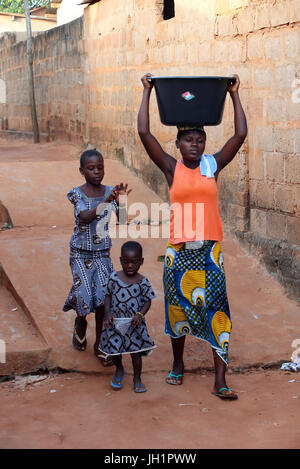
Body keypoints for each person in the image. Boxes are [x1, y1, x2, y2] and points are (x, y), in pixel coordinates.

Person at [138, 73, 247, 399]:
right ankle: (177, 364)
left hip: (210, 251)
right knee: (177, 310)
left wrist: (234, 95)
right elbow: (144, 132)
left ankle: (220, 379)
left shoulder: (212, 165)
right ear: (178, 144)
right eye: (188, 140)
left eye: (199, 140)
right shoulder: (172, 168)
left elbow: (240, 134)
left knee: (218, 311)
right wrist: (147, 92)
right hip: (180, 250)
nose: (195, 145)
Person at [63, 149, 131, 367]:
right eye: (91, 168)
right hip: (80, 254)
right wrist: (105, 201)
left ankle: (101, 344)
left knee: (103, 300)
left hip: (102, 255)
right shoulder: (76, 193)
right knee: (84, 298)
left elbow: (122, 219)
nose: (96, 172)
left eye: (100, 167)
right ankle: (80, 322)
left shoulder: (111, 191)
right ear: (82, 171)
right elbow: (84, 218)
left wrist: (121, 201)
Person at [99, 241, 156, 393]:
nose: (130, 265)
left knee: (136, 354)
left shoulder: (143, 282)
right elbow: (108, 296)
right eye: (126, 262)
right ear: (120, 261)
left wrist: (140, 314)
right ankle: (119, 369)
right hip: (116, 322)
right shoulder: (114, 278)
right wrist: (107, 313)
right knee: (115, 351)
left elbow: (148, 301)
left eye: (134, 262)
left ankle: (137, 378)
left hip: (134, 325)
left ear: (141, 262)